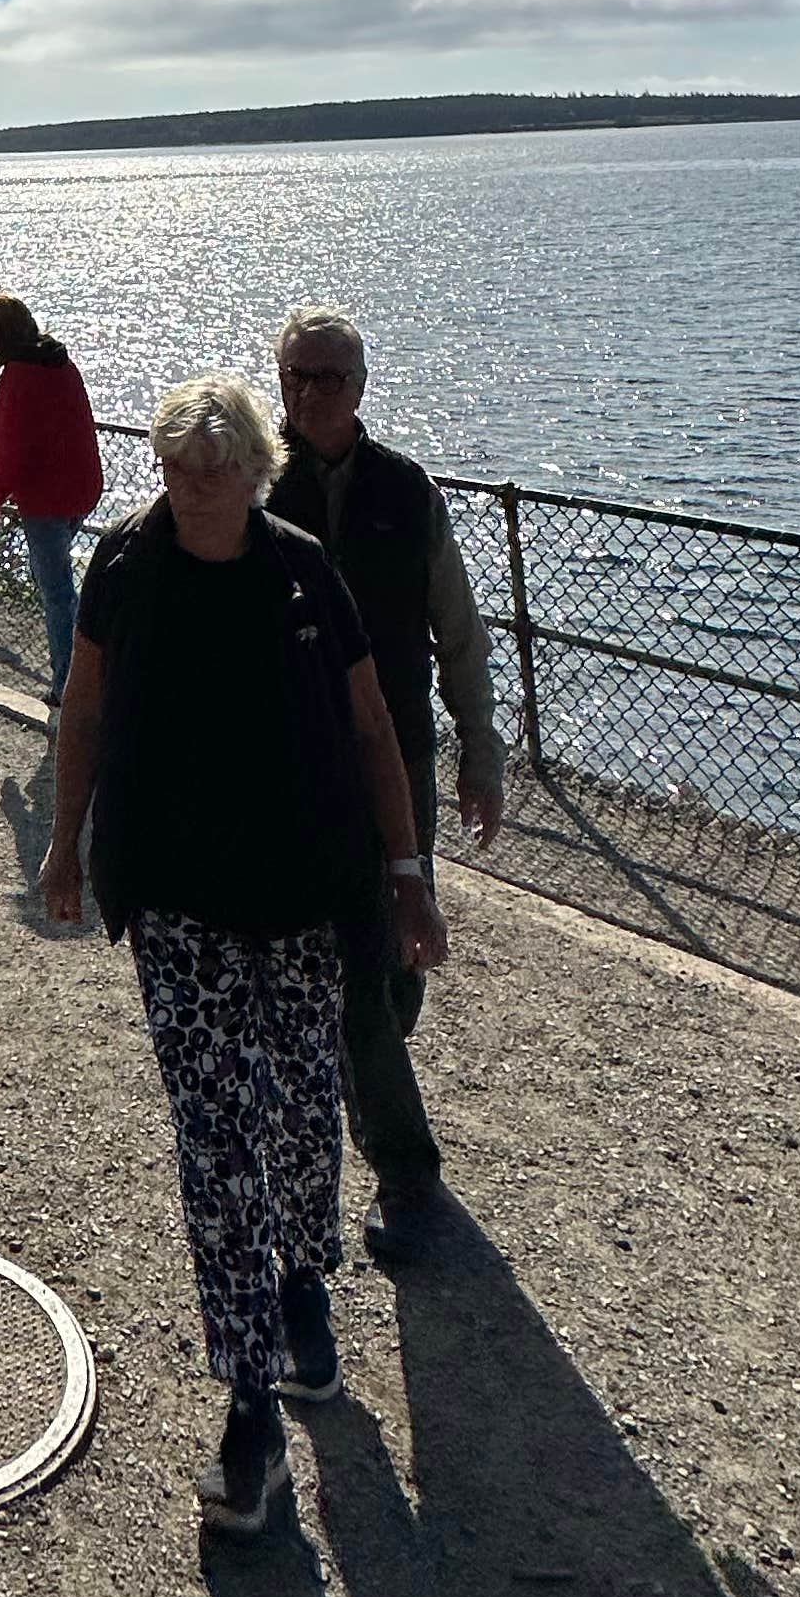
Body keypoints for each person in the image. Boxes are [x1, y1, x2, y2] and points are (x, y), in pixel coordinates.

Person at [41, 371, 446, 1537]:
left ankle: (306, 1287)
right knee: (215, 1134)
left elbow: (374, 728)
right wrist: (66, 846)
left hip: (309, 900)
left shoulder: (306, 574)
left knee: (304, 1107)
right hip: (179, 908)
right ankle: (251, 1401)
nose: (194, 491)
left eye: (216, 471)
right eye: (175, 469)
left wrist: (408, 876)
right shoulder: (124, 566)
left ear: (257, 471)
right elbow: (82, 708)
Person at [267, 304, 506, 1263]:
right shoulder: (249, 483)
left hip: (399, 756)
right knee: (360, 978)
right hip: (291, 765)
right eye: (294, 376)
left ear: (361, 386)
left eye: (327, 376)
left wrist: (480, 745)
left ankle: (358, 1073)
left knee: (398, 961)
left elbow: (460, 626)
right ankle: (410, 1178)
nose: (309, 393)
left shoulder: (410, 494)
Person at [0, 291, 103, 703]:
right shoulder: (60, 363)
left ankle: (69, 681)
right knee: (64, 585)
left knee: (57, 592)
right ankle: (89, 666)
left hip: (46, 496)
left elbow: (10, 448)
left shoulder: (19, 377)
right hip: (80, 486)